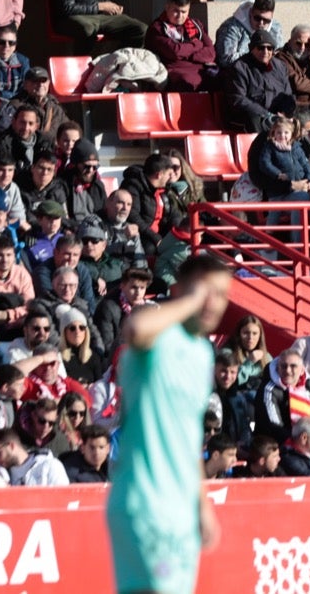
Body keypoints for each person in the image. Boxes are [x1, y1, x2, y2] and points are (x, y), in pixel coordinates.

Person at [105, 253, 232, 594]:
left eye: (220, 294)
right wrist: (189, 302)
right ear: (181, 292)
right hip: (144, 502)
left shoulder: (202, 353)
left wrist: (201, 507)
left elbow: (188, 437)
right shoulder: (157, 338)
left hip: (180, 510)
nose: (212, 302)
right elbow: (135, 328)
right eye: (204, 292)